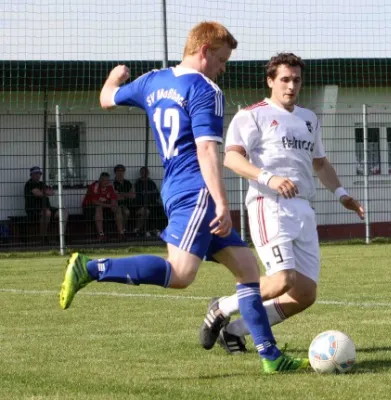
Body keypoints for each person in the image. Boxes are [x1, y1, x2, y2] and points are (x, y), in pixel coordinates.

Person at [59, 21, 307, 374]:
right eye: (221, 60)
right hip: (197, 191)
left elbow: (106, 99)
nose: (222, 69)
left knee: (249, 271)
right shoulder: (205, 89)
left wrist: (115, 77)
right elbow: (207, 149)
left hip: (175, 187)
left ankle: (271, 357)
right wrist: (221, 203)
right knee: (180, 274)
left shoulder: (152, 81)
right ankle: (91, 268)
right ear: (204, 51)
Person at [199, 53, 365, 353]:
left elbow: (320, 163)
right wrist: (269, 178)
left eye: (296, 80)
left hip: (303, 209)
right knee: (280, 280)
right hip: (269, 204)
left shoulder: (308, 119)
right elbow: (232, 158)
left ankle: (235, 331)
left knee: (304, 294)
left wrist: (342, 194)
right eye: (285, 79)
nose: (291, 86)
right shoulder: (252, 116)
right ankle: (222, 307)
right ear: (271, 81)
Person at [24, 166, 68, 243]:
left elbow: (52, 192)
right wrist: (44, 192)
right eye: (35, 174)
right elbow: (38, 194)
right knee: (47, 213)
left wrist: (41, 191)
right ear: (31, 175)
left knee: (63, 212)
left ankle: (60, 236)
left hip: (47, 207)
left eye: (39, 174)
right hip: (33, 209)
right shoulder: (29, 184)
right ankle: (43, 237)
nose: (38, 175)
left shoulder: (42, 184)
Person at [82, 172, 125, 241]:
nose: (106, 182)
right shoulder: (94, 186)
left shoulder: (110, 186)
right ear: (100, 180)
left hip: (105, 206)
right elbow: (94, 201)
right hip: (89, 207)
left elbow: (113, 198)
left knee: (118, 208)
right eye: (104, 180)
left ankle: (121, 233)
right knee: (98, 208)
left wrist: (114, 205)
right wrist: (109, 205)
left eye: (107, 180)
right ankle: (101, 235)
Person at [134, 166, 163, 237]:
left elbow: (156, 194)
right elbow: (138, 197)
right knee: (148, 211)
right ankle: (147, 230)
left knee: (161, 209)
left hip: (152, 203)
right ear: (140, 173)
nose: (144, 174)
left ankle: (156, 229)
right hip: (142, 204)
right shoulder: (138, 183)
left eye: (146, 172)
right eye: (142, 172)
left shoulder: (151, 182)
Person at [112, 164, 138, 234]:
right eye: (118, 171)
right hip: (118, 204)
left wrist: (121, 193)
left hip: (129, 203)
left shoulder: (128, 182)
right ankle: (122, 231)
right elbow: (116, 196)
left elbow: (133, 195)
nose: (120, 173)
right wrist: (127, 194)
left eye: (122, 171)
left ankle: (123, 230)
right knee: (126, 212)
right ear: (115, 172)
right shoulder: (112, 183)